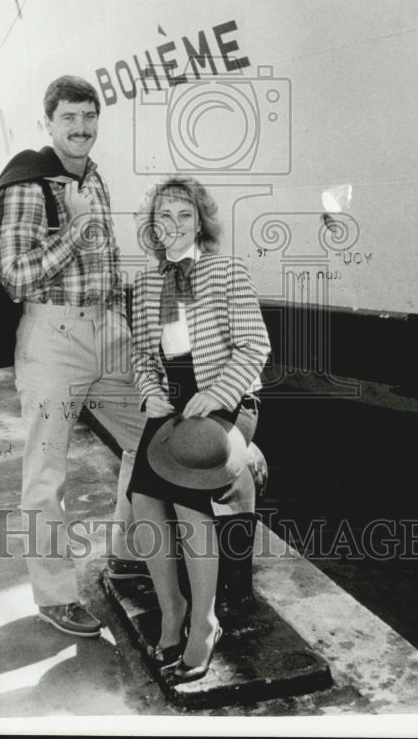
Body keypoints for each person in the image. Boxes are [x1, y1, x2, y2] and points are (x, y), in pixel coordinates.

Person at [0, 75, 147, 638]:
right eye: (69, 118)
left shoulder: (94, 176)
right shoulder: (28, 186)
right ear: (49, 122)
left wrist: (128, 320)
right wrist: (77, 228)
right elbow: (14, 276)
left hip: (107, 333)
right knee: (46, 471)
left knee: (152, 438)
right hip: (53, 338)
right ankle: (55, 596)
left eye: (89, 116)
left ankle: (129, 553)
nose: (81, 128)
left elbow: (108, 261)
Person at [128, 176, 271, 681]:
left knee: (189, 497)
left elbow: (255, 347)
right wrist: (149, 392)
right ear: (152, 226)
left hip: (226, 399)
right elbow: (142, 356)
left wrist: (219, 394)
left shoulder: (228, 271)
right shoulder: (144, 284)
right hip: (173, 401)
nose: (174, 225)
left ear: (201, 222)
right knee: (143, 497)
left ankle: (205, 623)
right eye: (164, 216)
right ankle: (174, 609)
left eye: (184, 215)